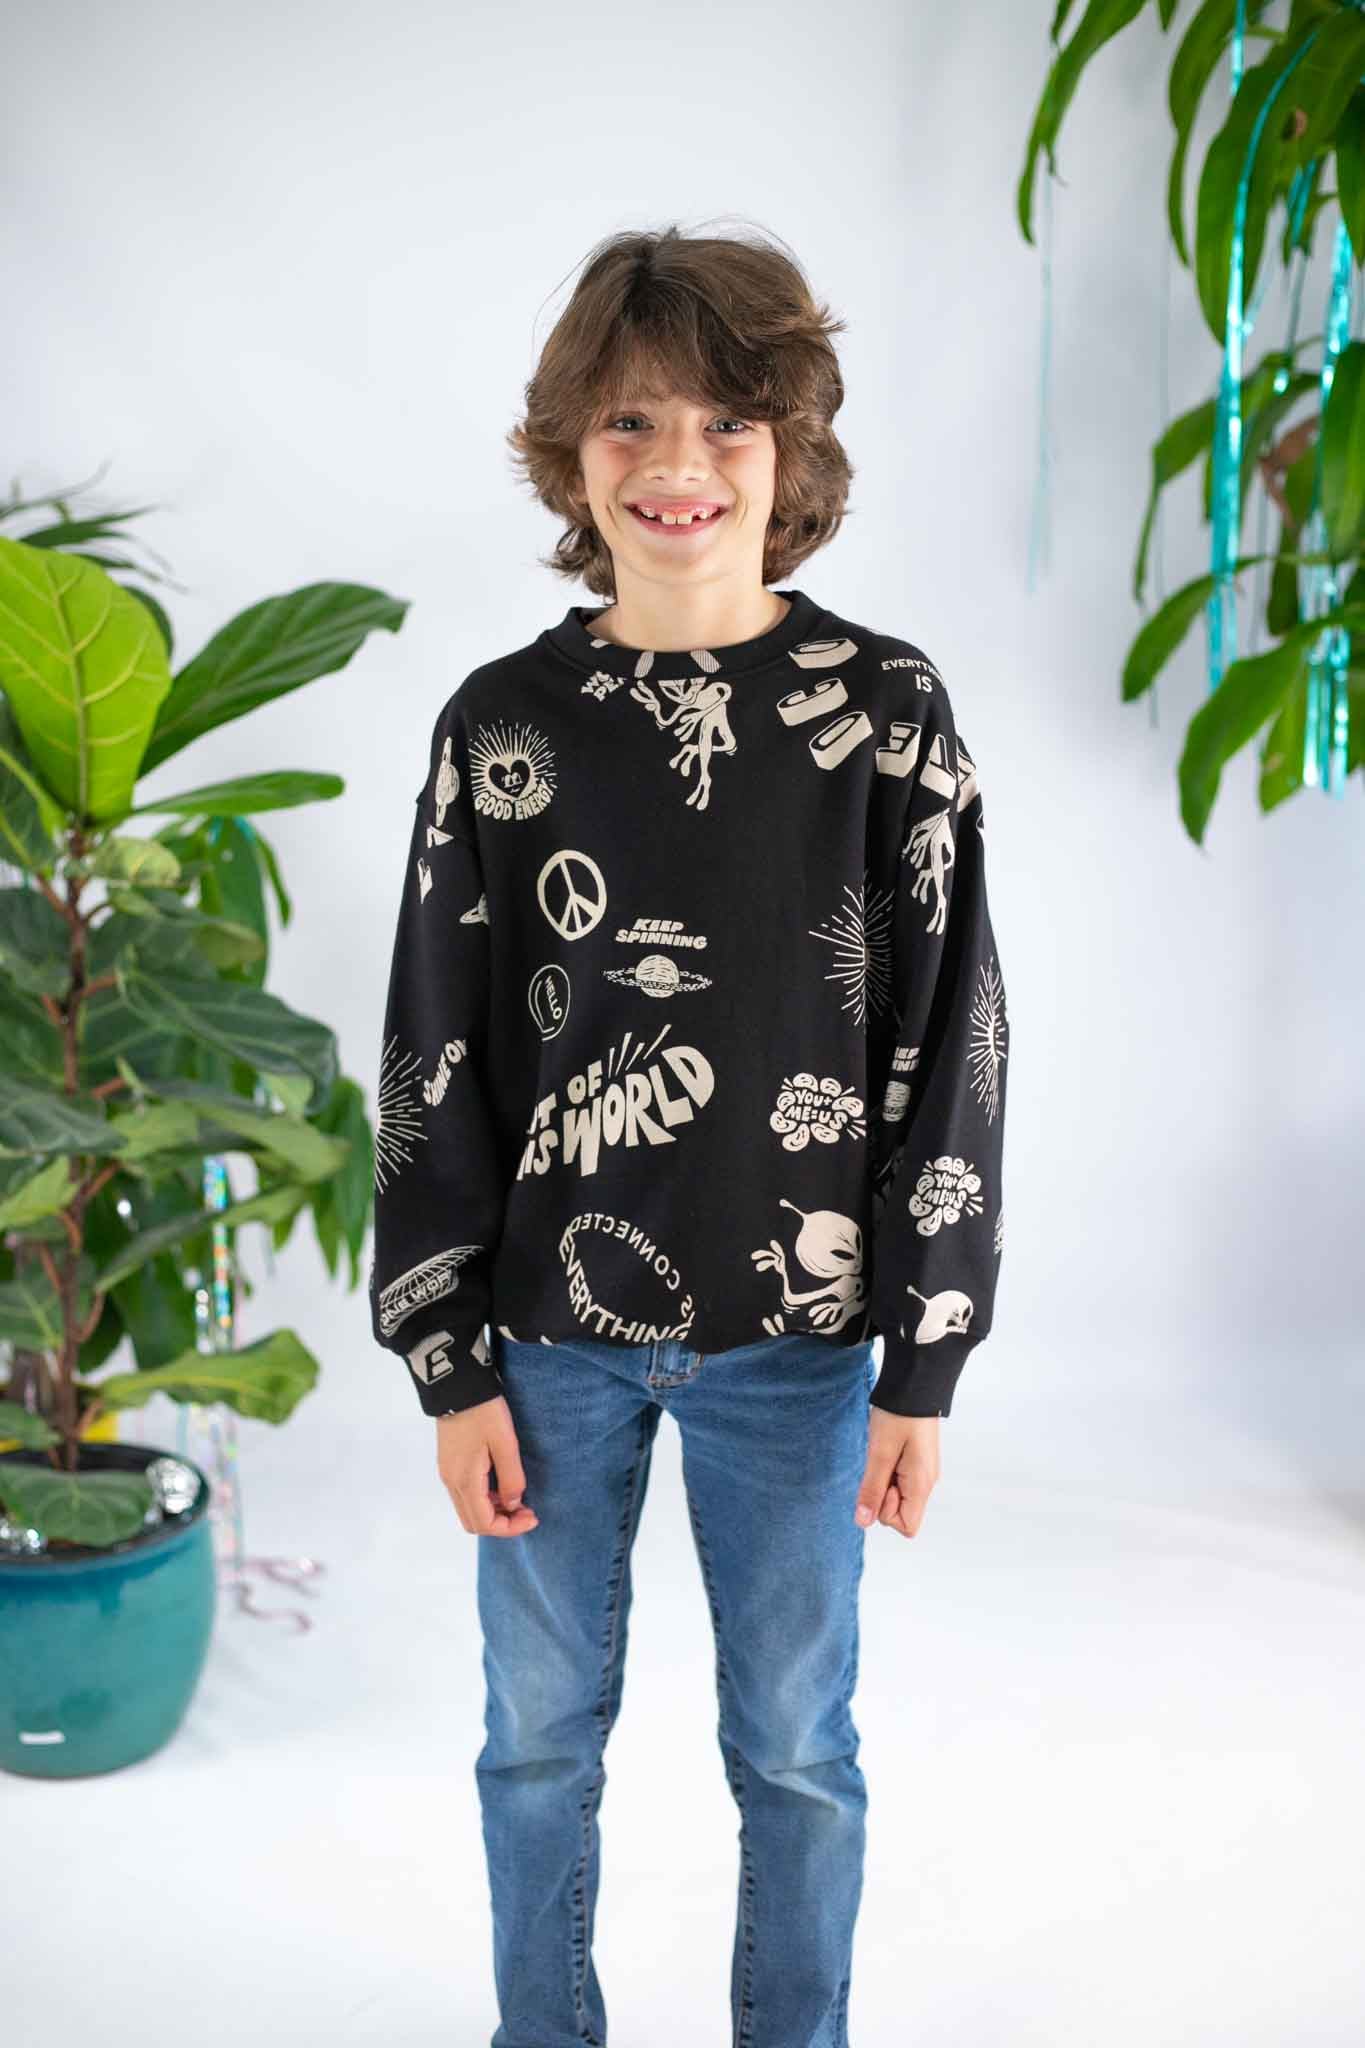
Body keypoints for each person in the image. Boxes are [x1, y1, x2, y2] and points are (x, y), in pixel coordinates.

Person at [369, 222, 1009, 2048]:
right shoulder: (503, 725)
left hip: (798, 1351)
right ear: (570, 453)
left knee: (796, 1750)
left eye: (727, 422)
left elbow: (950, 1039)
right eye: (631, 421)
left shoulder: (882, 713)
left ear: (789, 452)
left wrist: (923, 1361)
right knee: (532, 1743)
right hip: (544, 1344)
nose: (677, 465)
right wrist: (447, 1360)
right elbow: (434, 1048)